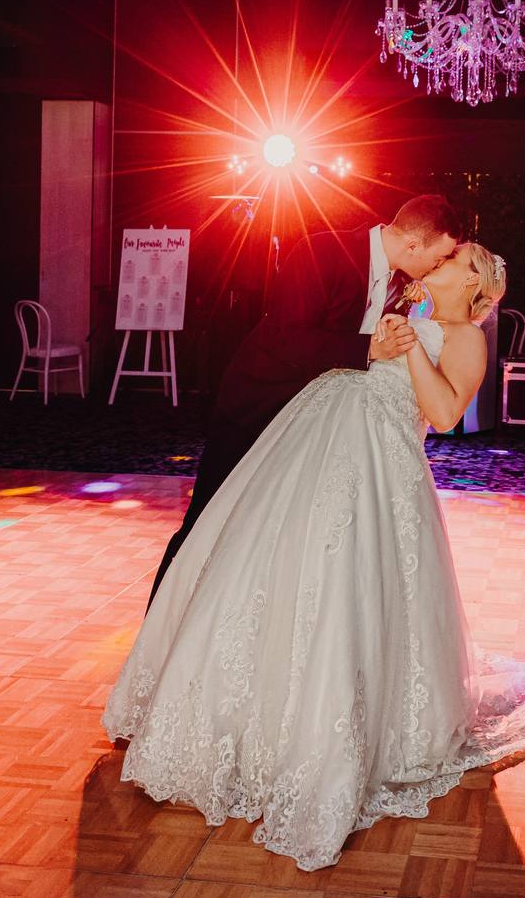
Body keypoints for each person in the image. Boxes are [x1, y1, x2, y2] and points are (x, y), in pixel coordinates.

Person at [102, 242, 525, 870]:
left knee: (351, 594)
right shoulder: (405, 307)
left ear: (475, 282)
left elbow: (443, 411)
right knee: (270, 572)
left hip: (381, 472)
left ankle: (329, 738)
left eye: (457, 260)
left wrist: (407, 351)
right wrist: (381, 342)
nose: (442, 262)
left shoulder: (467, 336)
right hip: (318, 449)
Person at [147, 195, 466, 600]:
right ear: (413, 245)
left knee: (274, 536)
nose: (437, 266)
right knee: (208, 521)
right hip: (259, 410)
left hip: (314, 428)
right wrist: (368, 349)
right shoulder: (323, 249)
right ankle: (159, 632)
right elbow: (286, 338)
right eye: (437, 257)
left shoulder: (402, 282)